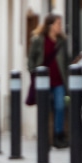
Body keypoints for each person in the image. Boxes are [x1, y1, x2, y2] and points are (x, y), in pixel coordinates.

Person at [26, 14, 70, 147]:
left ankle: (58, 136)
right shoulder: (39, 40)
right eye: (58, 24)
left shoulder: (62, 41)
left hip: (59, 81)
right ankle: (44, 138)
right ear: (51, 25)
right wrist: (34, 72)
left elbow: (66, 60)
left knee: (60, 107)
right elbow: (31, 59)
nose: (60, 26)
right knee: (44, 109)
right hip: (43, 82)